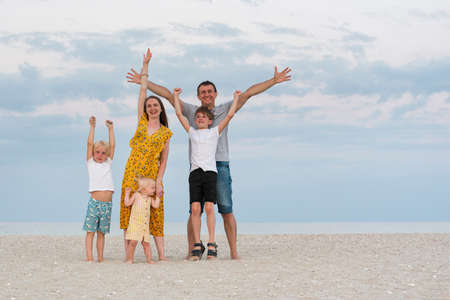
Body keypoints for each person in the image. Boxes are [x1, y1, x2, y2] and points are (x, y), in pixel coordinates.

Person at [127, 53, 291, 259]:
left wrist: (274, 81)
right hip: (196, 167)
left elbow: (248, 93)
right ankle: (192, 250)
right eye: (202, 92)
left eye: (209, 92)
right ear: (198, 96)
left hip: (219, 165)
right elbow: (169, 96)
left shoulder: (224, 109)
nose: (206, 95)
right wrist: (144, 81)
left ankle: (233, 252)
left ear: (215, 94)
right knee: (194, 211)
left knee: (226, 209)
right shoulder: (191, 111)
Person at [173, 87, 240, 260]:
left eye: (204, 117)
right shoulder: (192, 132)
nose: (200, 118)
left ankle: (211, 243)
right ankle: (196, 244)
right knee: (195, 209)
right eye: (198, 117)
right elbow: (180, 115)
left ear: (210, 121)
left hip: (210, 173)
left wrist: (235, 98)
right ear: (195, 121)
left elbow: (230, 116)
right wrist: (175, 96)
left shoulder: (214, 132)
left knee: (210, 207)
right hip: (195, 174)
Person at [120, 49, 172, 261]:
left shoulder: (166, 132)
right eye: (149, 105)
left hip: (151, 174)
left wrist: (159, 180)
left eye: (155, 105)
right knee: (128, 212)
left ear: (160, 109)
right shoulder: (141, 123)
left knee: (156, 213)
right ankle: (129, 255)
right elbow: (142, 91)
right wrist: (145, 67)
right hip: (132, 169)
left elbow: (164, 159)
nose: (152, 107)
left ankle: (161, 256)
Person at [83, 116, 115, 262]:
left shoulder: (108, 162)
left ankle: (100, 257)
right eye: (97, 152)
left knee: (102, 233)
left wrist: (111, 129)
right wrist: (92, 127)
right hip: (95, 203)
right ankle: (90, 257)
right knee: (90, 232)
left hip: (107, 205)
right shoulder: (90, 163)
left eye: (103, 152)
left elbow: (113, 146)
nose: (100, 155)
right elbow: (89, 144)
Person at [124, 177, 161, 264]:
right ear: (144, 189)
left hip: (144, 225)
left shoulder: (150, 199)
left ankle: (149, 259)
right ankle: (129, 259)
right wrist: (127, 194)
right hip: (135, 224)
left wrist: (158, 197)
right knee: (133, 242)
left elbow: (156, 205)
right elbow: (127, 203)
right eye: (152, 188)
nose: (154, 190)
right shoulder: (137, 195)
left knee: (146, 244)